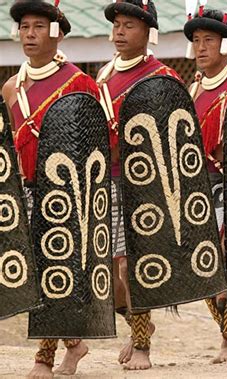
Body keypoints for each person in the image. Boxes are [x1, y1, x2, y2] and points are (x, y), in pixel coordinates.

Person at [1, 0, 99, 377]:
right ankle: (74, 344)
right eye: (24, 27)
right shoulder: (11, 87)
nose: (29, 34)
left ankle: (45, 358)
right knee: (31, 273)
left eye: (38, 27)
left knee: (54, 271)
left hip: (66, 192)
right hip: (24, 190)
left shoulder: (79, 83)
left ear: (55, 32)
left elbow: (93, 145)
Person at [97, 0, 181, 371]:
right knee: (112, 272)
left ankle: (144, 345)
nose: (119, 32)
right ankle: (137, 328)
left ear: (149, 33)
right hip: (110, 181)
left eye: (129, 25)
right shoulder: (101, 76)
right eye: (116, 25)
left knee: (132, 265)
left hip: (148, 185)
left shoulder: (162, 78)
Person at [183, 7, 227, 364]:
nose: (200, 47)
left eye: (208, 39)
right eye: (196, 40)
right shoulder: (193, 88)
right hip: (202, 185)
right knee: (205, 263)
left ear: (226, 44)